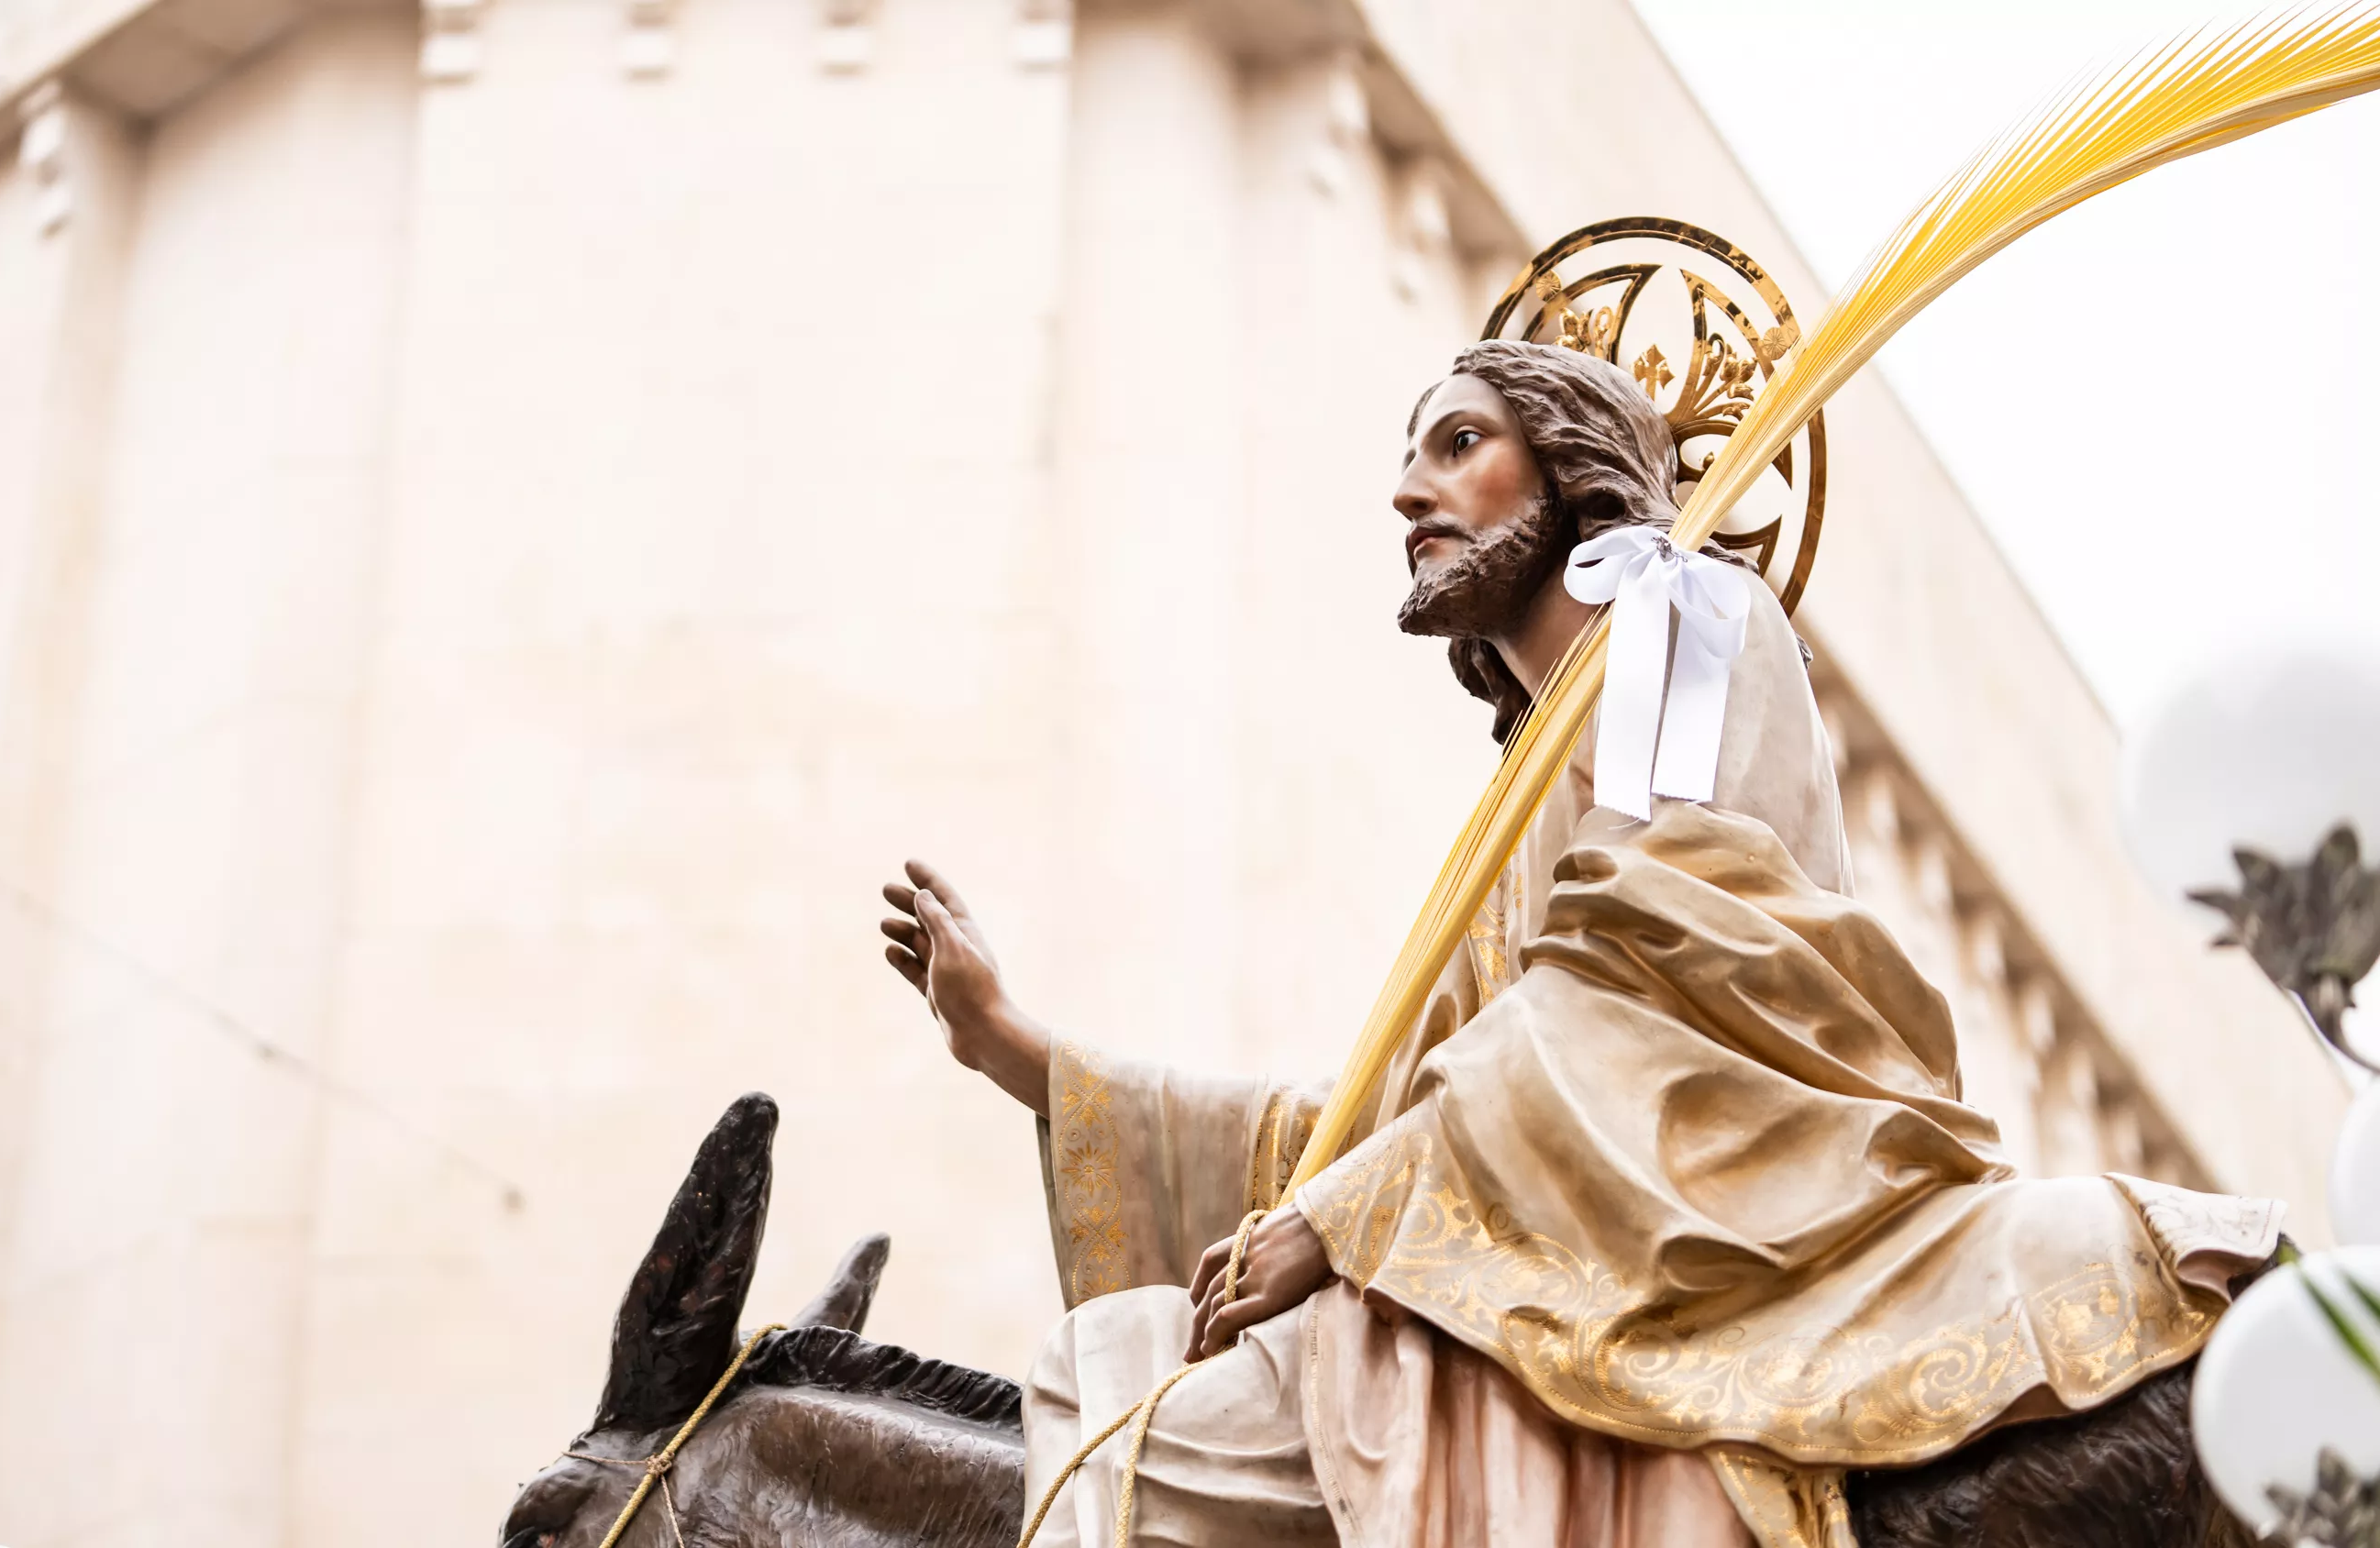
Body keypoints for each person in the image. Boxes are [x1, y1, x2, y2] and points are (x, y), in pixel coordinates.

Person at [878, 340, 2282, 1548]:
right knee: (1120, 1356)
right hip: (1547, 1226)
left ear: (1566, 476)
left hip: (1707, 1205)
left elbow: (1641, 984)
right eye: (1410, 453)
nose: (1405, 489)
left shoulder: (1678, 616)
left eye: (1458, 443)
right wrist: (1021, 1051)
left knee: (1117, 1391)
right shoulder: (1521, 806)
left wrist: (1346, 1220)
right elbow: (1379, 1118)